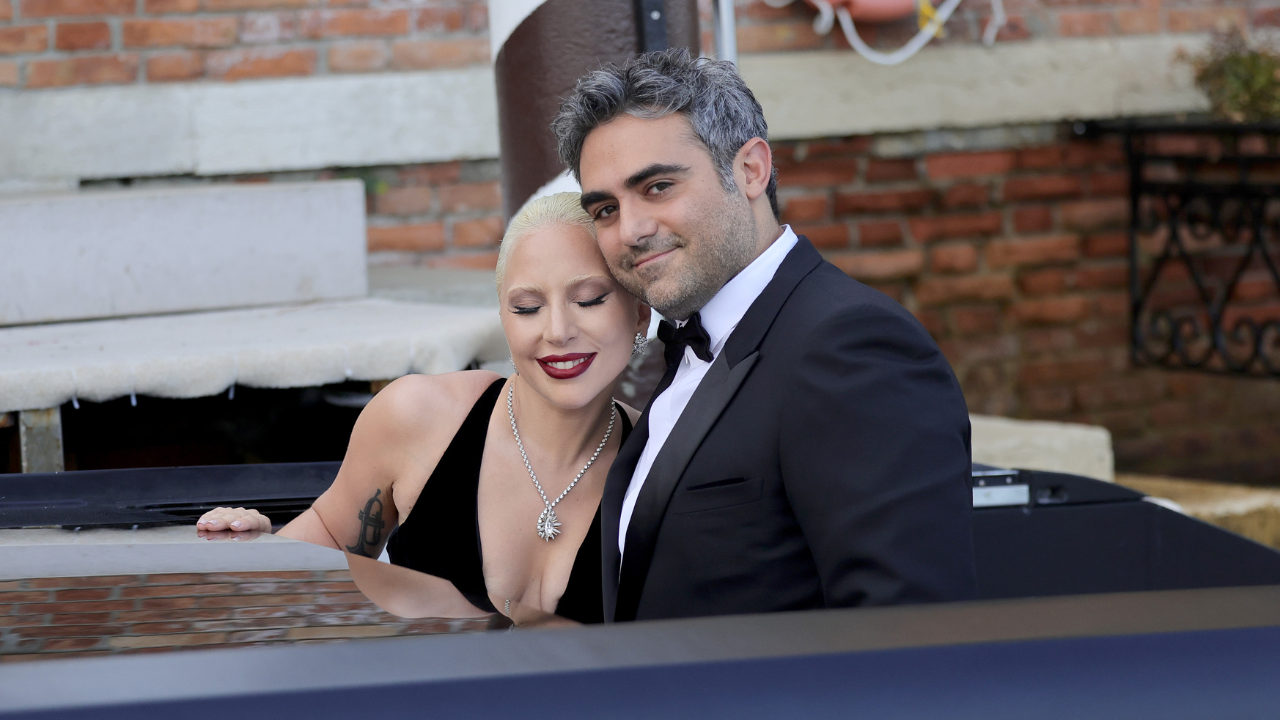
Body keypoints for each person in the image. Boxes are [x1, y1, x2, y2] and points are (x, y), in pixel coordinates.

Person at [550, 48, 977, 623]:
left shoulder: (853, 346)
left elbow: (911, 631)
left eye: (657, 187)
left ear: (751, 170)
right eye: (605, 209)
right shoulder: (692, 340)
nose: (631, 230)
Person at [196, 193, 650, 626]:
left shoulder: (661, 458)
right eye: (527, 308)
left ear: (640, 314)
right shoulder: (417, 416)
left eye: (589, 299)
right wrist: (256, 546)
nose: (557, 331)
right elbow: (316, 557)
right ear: (503, 319)